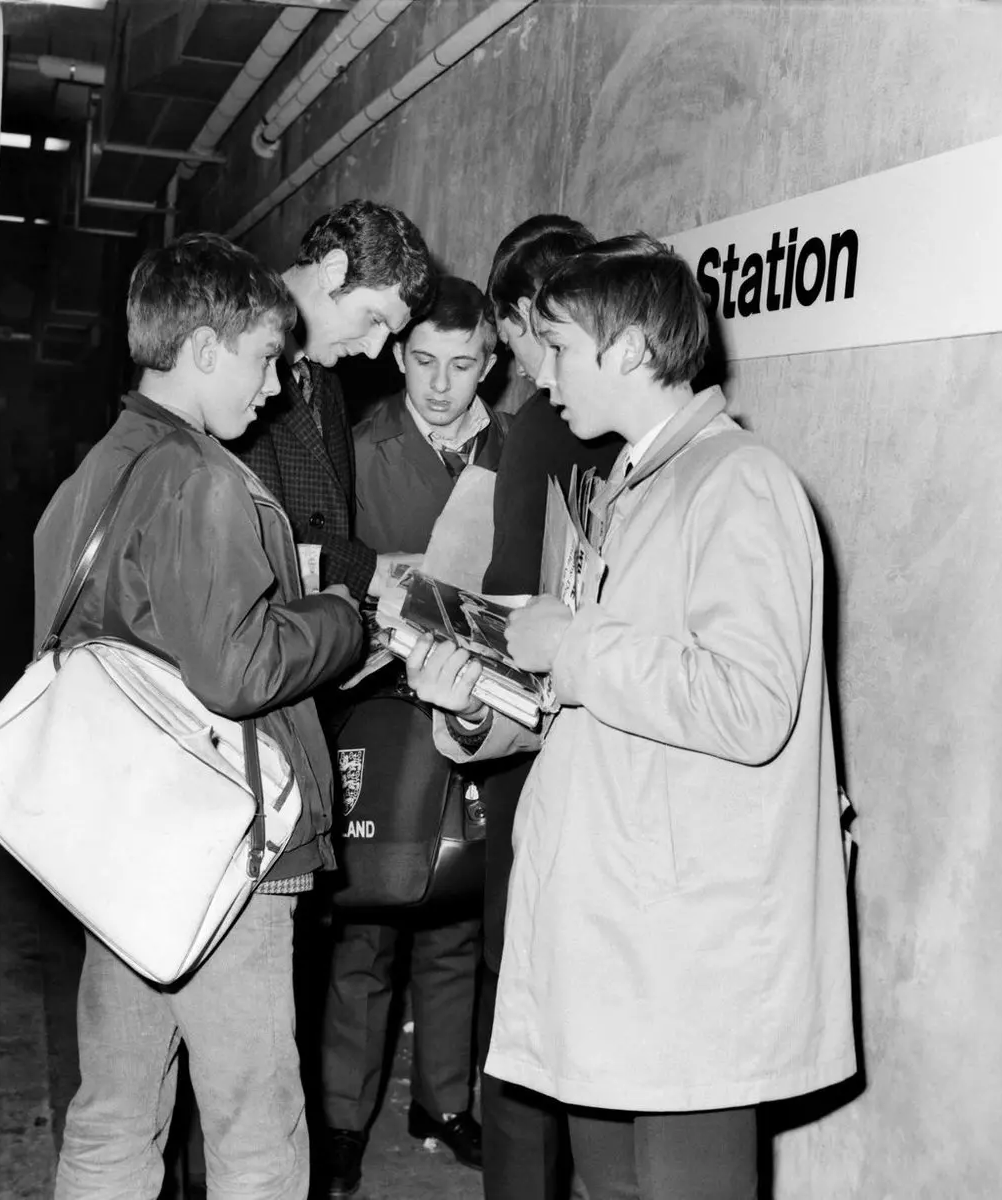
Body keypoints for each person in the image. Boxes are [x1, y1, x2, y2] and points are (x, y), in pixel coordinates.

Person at [407, 235, 856, 1200]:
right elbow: (589, 701)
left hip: (684, 950)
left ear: (630, 350)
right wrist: (476, 706)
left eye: (559, 348)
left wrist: (573, 644)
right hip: (616, 931)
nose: (541, 374)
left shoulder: (739, 483)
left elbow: (749, 704)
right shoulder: (631, 486)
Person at [37, 232, 364, 1200]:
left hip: (118, 849)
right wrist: (340, 621)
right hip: (223, 854)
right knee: (256, 1134)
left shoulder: (91, 474)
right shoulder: (203, 479)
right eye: (264, 359)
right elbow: (236, 667)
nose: (274, 387)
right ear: (206, 347)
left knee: (113, 1114)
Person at [320, 276, 508, 1198]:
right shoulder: (357, 451)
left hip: (479, 708)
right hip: (381, 705)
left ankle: (441, 1101)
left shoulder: (515, 451)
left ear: (491, 363)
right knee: (369, 915)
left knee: (456, 913)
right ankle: (342, 1119)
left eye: (461, 365)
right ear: (397, 355)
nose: (439, 385)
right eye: (423, 361)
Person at [478, 215, 622, 1200]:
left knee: (517, 992)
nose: (522, 364)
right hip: (619, 744)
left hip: (535, 743)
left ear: (534, 313)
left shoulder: (536, 426)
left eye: (515, 336)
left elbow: (508, 595)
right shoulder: (641, 437)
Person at [233, 198, 438, 602]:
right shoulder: (232, 348)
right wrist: (368, 570)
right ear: (333, 270)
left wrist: (377, 565)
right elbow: (242, 535)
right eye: (375, 319)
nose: (375, 350)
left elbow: (323, 521)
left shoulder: (325, 373)